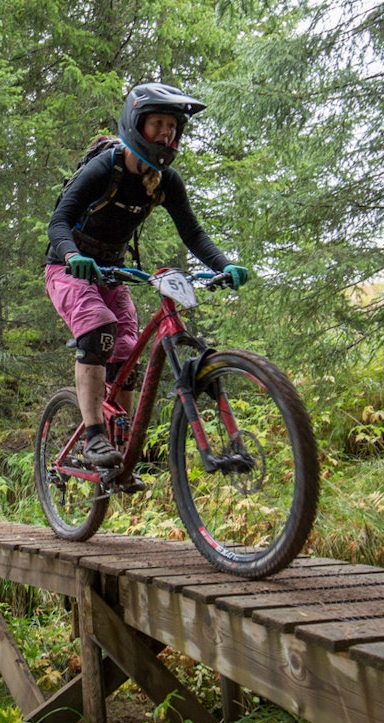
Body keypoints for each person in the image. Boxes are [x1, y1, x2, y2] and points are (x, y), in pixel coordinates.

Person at [46, 82, 251, 468]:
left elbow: (192, 233)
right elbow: (59, 221)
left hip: (112, 275)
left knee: (126, 351)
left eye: (172, 126)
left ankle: (120, 452)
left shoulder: (166, 181)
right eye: (158, 123)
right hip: (66, 269)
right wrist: (73, 255)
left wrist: (223, 265)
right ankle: (94, 437)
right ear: (136, 124)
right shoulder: (104, 168)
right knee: (98, 329)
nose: (166, 133)